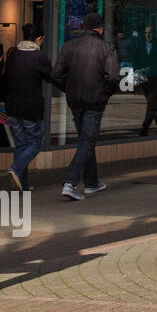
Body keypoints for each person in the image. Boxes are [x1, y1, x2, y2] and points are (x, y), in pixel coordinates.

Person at [53, 11, 118, 201]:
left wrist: (69, 89)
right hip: (94, 101)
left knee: (86, 140)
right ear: (100, 28)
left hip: (75, 101)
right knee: (87, 141)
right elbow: (113, 77)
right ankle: (70, 182)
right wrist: (105, 93)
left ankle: (92, 183)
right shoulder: (107, 48)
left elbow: (56, 75)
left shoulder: (68, 47)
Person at [2, 23, 53, 191]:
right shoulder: (39, 57)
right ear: (39, 39)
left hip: (12, 107)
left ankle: (22, 185)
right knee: (36, 142)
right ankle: (15, 169)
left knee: (21, 145)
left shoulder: (13, 54)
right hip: (31, 109)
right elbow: (51, 77)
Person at [137, 24, 157, 135]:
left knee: (151, 102)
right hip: (145, 80)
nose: (148, 35)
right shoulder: (141, 46)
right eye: (146, 33)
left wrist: (151, 69)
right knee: (152, 103)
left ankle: (145, 128)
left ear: (154, 34)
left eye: (150, 33)